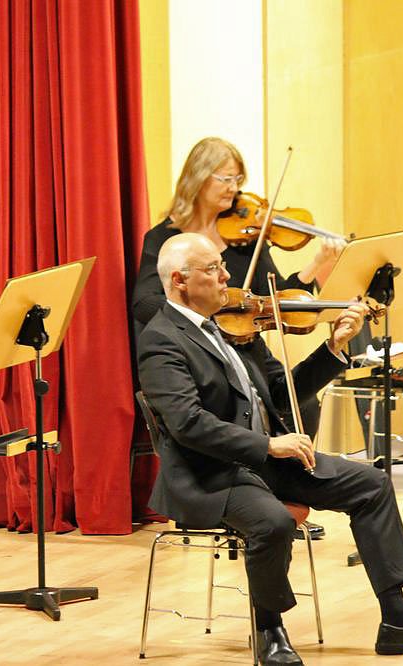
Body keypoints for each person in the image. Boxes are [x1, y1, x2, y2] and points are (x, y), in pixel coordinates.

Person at [137, 232, 403, 662]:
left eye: (223, 266)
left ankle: (397, 620)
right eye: (213, 269)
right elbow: (187, 424)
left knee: (371, 485)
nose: (226, 277)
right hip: (211, 475)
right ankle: (270, 630)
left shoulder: (233, 327)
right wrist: (268, 444)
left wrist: (334, 347)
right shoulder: (162, 339)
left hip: (263, 463)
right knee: (273, 522)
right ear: (180, 280)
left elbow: (282, 392)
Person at [132, 137, 344, 538]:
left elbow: (273, 298)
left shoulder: (246, 238)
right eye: (225, 178)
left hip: (243, 346)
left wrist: (316, 265)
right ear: (199, 178)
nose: (234, 188)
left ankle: (282, 491)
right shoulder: (165, 239)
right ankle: (239, 502)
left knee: (302, 401)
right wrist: (206, 314)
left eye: (238, 179)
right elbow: (144, 302)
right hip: (194, 352)